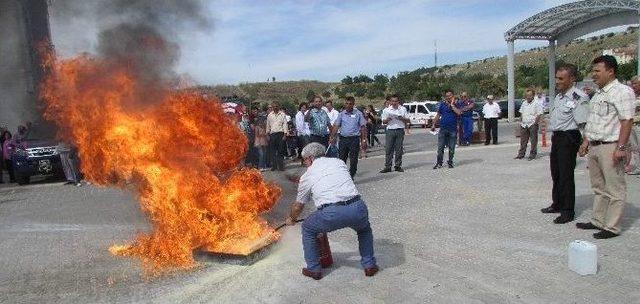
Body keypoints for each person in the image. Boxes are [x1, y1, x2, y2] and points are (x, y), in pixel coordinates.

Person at [285, 142, 378, 280]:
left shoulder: (307, 175)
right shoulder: (339, 162)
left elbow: (298, 206)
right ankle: (369, 265)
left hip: (332, 214)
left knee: (308, 228)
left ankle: (314, 269)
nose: (304, 163)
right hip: (357, 207)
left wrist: (291, 218)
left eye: (304, 160)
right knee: (364, 230)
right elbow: (328, 178)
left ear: (310, 158)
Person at [576, 55, 635, 239]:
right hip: (595, 145)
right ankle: (598, 220)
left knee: (615, 188)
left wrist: (621, 147)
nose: (594, 75)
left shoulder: (622, 91)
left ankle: (612, 226)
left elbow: (626, 121)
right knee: (599, 186)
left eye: (597, 71)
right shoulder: (599, 94)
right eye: (593, 71)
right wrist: (586, 142)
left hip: (611, 146)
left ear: (611, 71)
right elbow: (593, 122)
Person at [540, 64, 589, 224]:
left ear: (572, 79)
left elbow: (583, 123)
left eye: (561, 78)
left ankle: (568, 211)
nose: (557, 81)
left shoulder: (578, 97)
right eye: (556, 78)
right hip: (557, 137)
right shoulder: (559, 97)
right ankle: (557, 203)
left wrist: (585, 143)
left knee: (566, 175)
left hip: (569, 137)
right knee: (556, 173)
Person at [331, 97, 367, 178]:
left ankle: (351, 175)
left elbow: (363, 127)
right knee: (341, 159)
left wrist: (364, 140)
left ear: (353, 104)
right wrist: (332, 137)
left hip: (354, 139)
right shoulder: (341, 114)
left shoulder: (358, 114)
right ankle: (342, 176)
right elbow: (336, 126)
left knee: (353, 159)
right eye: (346, 103)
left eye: (350, 104)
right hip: (343, 139)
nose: (348, 105)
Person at [380, 94, 410, 173]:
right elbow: (383, 121)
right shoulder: (386, 110)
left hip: (400, 130)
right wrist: (388, 119)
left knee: (399, 149)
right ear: (390, 101)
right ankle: (388, 166)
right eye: (392, 101)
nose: (394, 103)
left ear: (398, 101)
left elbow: (408, 120)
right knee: (389, 149)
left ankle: (398, 166)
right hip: (390, 130)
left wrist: (402, 118)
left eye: (395, 101)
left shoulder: (403, 109)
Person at [432, 90, 462, 169]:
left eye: (450, 95)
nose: (448, 97)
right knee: (440, 147)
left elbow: (459, 113)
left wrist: (452, 106)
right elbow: (438, 115)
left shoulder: (457, 104)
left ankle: (450, 162)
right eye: (447, 96)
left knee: (451, 148)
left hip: (453, 129)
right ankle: (439, 163)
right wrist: (433, 124)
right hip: (443, 129)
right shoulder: (442, 104)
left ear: (453, 96)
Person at [515, 88, 544, 160]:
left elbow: (539, 114)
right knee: (523, 141)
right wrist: (521, 120)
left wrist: (535, 123)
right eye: (527, 95)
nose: (528, 97)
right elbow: (521, 112)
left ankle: (532, 154)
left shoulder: (537, 103)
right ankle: (521, 154)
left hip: (532, 124)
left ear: (533, 95)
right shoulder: (524, 103)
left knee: (533, 140)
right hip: (524, 124)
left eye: (530, 95)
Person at [266, 102, 288, 171]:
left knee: (280, 151)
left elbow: (285, 124)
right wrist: (267, 134)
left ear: (279, 107)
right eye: (274, 106)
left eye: (277, 106)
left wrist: (285, 134)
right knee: (273, 151)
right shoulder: (269, 115)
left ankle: (281, 166)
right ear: (272, 107)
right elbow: (268, 125)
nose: (275, 107)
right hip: (272, 135)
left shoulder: (282, 114)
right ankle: (274, 166)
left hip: (280, 134)